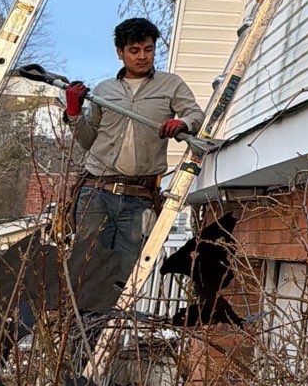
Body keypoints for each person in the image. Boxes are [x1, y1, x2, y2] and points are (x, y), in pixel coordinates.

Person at [63, 17, 204, 274]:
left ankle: (112, 316)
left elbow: (195, 115)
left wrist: (182, 123)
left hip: (139, 198)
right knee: (85, 267)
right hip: (96, 192)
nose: (142, 56)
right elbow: (88, 140)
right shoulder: (104, 91)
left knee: (126, 272)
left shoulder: (171, 85)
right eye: (134, 50)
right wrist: (73, 111)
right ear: (120, 53)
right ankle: (78, 315)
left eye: (148, 49)